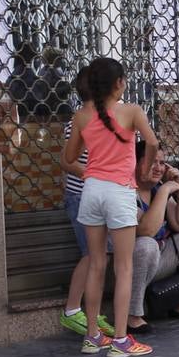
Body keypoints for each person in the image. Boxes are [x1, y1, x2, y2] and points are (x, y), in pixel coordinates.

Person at [62, 57, 158, 357]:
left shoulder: (80, 116)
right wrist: (144, 169)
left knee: (96, 262)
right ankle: (120, 340)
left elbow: (67, 159)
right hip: (119, 192)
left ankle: (92, 336)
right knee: (124, 267)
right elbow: (152, 141)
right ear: (118, 83)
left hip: (92, 192)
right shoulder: (131, 111)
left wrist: (90, 173)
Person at [127, 141, 179, 334]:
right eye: (152, 162)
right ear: (135, 162)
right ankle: (132, 315)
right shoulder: (127, 192)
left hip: (157, 259)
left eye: (162, 162)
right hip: (127, 266)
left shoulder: (157, 190)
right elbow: (146, 230)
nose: (158, 168)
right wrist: (166, 190)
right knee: (146, 244)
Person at [58, 68, 116, 340]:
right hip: (82, 196)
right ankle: (72, 311)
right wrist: (94, 174)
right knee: (92, 256)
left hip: (95, 195)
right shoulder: (82, 121)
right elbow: (68, 162)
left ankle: (90, 314)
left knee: (99, 255)